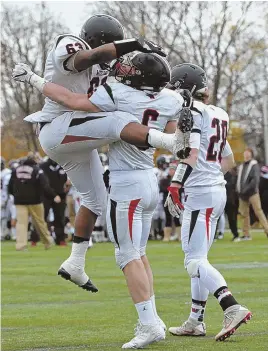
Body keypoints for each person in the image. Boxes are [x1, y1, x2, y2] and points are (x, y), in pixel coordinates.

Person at [13, 52, 195, 349]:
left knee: (126, 256)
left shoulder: (120, 93)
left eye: (132, 68)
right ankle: (154, 319)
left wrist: (34, 79)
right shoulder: (170, 99)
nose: (125, 69)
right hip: (149, 179)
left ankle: (148, 324)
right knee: (139, 253)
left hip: (127, 182)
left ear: (139, 77)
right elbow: (177, 111)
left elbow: (71, 101)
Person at [12, 16, 182, 293]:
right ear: (102, 40)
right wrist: (133, 44)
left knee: (96, 201)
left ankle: (75, 263)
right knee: (117, 121)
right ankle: (170, 142)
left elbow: (134, 84)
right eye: (114, 45)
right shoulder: (71, 45)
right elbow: (84, 60)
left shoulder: (112, 68)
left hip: (79, 135)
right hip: (58, 128)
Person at [165, 63, 252, 341]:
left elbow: (189, 153)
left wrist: (177, 183)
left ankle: (231, 306)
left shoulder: (191, 113)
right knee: (199, 258)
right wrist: (211, 174)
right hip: (217, 190)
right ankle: (195, 321)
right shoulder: (220, 113)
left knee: (193, 261)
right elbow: (229, 160)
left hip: (201, 192)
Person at [8, 155, 59, 250]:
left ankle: (21, 245)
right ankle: (47, 242)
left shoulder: (16, 170)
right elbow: (44, 184)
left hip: (19, 201)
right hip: (35, 201)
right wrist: (53, 195)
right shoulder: (37, 170)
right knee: (40, 223)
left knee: (22, 223)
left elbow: (10, 185)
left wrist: (15, 195)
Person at [237, 148, 268, 239]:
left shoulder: (254, 165)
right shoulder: (242, 165)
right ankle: (246, 234)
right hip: (242, 194)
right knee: (244, 214)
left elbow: (255, 180)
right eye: (245, 152)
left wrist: (245, 189)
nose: (246, 154)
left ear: (251, 154)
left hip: (252, 193)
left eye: (247, 153)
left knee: (258, 212)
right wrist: (239, 190)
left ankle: (267, 230)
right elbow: (239, 180)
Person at [40, 158, 68, 245]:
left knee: (60, 218)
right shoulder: (43, 166)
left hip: (60, 195)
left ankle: (60, 239)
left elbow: (66, 180)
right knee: (42, 217)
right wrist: (54, 195)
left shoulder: (63, 165)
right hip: (46, 195)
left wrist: (62, 192)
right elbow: (44, 183)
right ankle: (38, 238)